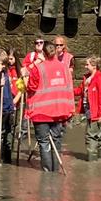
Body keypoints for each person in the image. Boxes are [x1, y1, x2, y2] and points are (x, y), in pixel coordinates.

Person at [25, 42, 76, 172]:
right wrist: (71, 109)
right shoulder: (64, 67)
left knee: (44, 143)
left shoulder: (39, 68)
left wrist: (25, 80)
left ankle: (48, 174)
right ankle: (55, 170)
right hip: (59, 111)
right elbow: (69, 88)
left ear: (43, 53)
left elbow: (31, 87)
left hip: (41, 112)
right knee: (56, 141)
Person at [77, 56, 101, 161]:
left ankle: (92, 160)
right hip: (89, 110)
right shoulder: (87, 77)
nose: (85, 66)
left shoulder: (100, 78)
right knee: (98, 135)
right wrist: (66, 90)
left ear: (94, 66)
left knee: (90, 135)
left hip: (95, 112)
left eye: (87, 64)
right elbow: (80, 90)